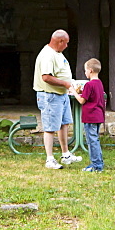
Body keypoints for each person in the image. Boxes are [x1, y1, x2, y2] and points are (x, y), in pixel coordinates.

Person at [33, 29, 81, 169]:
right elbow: (46, 77)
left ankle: (65, 154)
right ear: (60, 41)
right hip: (50, 96)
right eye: (65, 43)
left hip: (61, 94)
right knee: (50, 128)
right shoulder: (48, 55)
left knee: (64, 124)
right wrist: (66, 84)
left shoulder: (58, 53)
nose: (66, 46)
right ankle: (49, 159)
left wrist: (70, 83)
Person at [75, 58, 106, 173]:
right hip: (98, 116)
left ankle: (96, 166)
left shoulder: (89, 85)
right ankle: (98, 162)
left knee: (92, 141)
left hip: (90, 116)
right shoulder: (99, 83)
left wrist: (72, 90)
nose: (85, 73)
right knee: (95, 140)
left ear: (91, 70)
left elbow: (82, 100)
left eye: (86, 70)